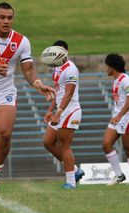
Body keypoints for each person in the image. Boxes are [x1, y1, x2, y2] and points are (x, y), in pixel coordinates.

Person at [0, 2, 56, 195]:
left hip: (4, 93)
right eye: (2, 17)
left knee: (5, 133)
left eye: (9, 18)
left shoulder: (22, 41)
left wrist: (38, 84)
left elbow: (29, 70)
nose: (6, 21)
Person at [42, 40, 84, 189]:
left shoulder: (71, 68)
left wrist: (58, 113)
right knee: (48, 142)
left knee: (65, 145)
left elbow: (69, 92)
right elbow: (58, 91)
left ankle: (71, 182)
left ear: (65, 52)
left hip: (70, 110)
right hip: (60, 110)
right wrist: (50, 110)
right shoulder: (56, 68)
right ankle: (75, 170)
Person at [102, 53, 129, 186]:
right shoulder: (116, 80)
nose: (106, 69)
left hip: (127, 118)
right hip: (117, 118)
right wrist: (116, 115)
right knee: (106, 144)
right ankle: (119, 175)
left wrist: (119, 116)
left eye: (107, 66)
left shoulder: (126, 80)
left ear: (112, 67)